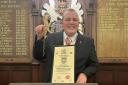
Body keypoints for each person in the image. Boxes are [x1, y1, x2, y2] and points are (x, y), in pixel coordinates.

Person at [33, 8, 99, 84]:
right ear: (62, 23)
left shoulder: (88, 42)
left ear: (78, 23)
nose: (71, 22)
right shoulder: (50, 38)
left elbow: (94, 65)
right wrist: (39, 37)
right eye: (68, 19)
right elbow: (38, 56)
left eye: (75, 20)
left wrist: (84, 74)